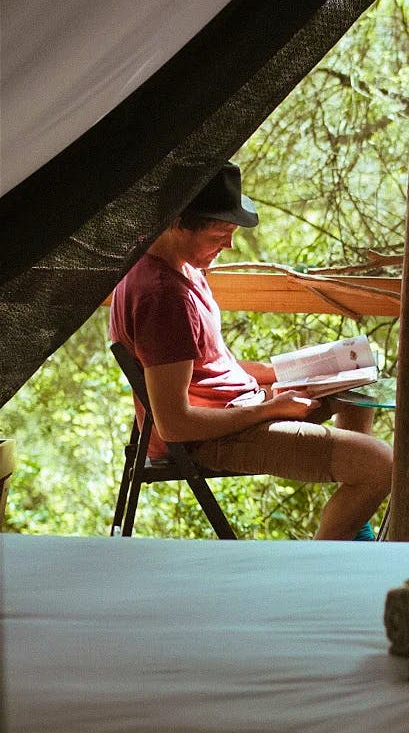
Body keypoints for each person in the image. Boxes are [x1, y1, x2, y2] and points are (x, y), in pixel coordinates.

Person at [110, 161, 392, 540]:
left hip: (244, 406)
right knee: (381, 464)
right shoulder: (163, 298)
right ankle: (326, 562)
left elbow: (203, 365)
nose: (228, 245)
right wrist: (270, 409)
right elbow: (174, 423)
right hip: (209, 439)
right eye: (219, 233)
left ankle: (350, 529)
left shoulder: (184, 268)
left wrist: (288, 373)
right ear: (177, 222)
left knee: (358, 385)